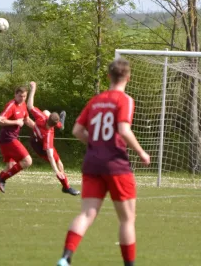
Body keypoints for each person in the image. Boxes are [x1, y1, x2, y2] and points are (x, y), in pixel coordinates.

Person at [56, 58, 151, 266]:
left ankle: (65, 258)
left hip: (92, 163)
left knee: (87, 213)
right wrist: (142, 153)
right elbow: (124, 130)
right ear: (128, 77)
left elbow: (76, 131)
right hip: (116, 164)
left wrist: (96, 142)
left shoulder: (95, 100)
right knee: (127, 219)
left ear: (108, 76)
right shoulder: (125, 100)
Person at [26, 81, 80, 196]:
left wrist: (33, 89)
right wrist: (56, 171)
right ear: (53, 125)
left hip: (34, 139)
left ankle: (61, 124)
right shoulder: (49, 134)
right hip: (40, 146)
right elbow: (50, 155)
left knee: (45, 110)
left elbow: (30, 106)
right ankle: (66, 187)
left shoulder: (42, 117)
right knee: (59, 163)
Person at [0, 86, 33, 200]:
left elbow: (27, 120)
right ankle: (2, 179)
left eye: (24, 96)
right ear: (15, 95)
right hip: (8, 139)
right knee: (27, 161)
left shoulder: (23, 106)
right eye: (20, 96)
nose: (22, 98)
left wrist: (38, 128)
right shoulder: (11, 105)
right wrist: (15, 122)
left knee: (10, 166)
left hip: (10, 138)